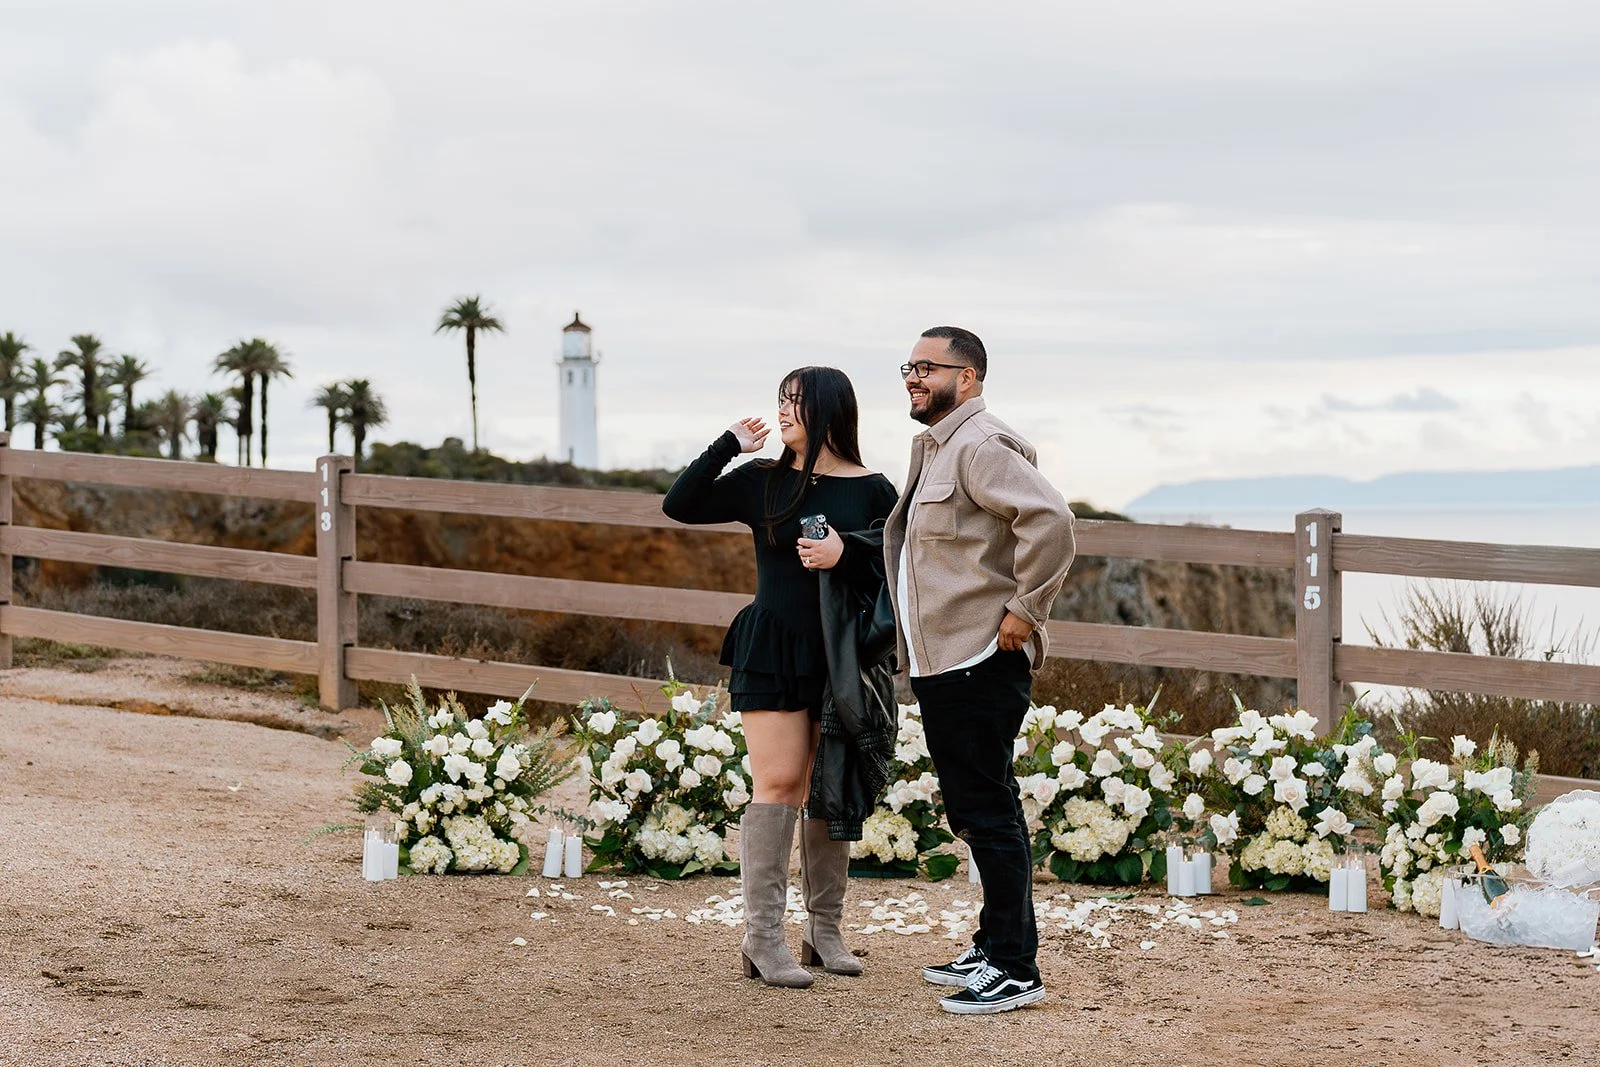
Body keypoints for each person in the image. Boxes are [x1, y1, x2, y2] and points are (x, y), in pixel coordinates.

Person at [663, 366, 898, 989]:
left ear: (830, 411)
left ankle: (825, 930)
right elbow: (679, 504)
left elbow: (904, 566)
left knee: (827, 783)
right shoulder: (760, 480)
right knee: (779, 782)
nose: (785, 411)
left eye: (797, 402)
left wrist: (847, 553)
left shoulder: (874, 489)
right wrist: (727, 444)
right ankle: (762, 938)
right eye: (781, 400)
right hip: (772, 647)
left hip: (841, 656)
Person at [884, 326, 1076, 1015]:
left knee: (987, 810)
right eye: (909, 366)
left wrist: (1026, 608)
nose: (913, 376)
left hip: (977, 658)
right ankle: (996, 941)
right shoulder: (938, 447)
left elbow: (1051, 520)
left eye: (926, 367)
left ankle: (1016, 968)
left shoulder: (981, 444)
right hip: (947, 661)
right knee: (981, 806)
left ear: (968, 377)